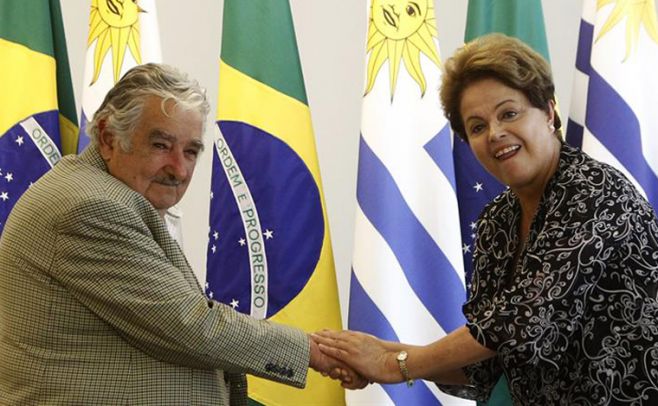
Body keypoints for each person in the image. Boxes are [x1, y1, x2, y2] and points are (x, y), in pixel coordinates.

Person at [315, 34, 658, 405]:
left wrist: (395, 363)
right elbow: (486, 360)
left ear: (548, 111)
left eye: (509, 113)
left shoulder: (595, 191)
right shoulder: (498, 221)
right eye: (477, 127)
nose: (495, 133)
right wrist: (379, 353)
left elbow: (523, 318)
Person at [0, 63, 362, 404]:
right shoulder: (91, 207)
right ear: (109, 138)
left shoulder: (105, 192)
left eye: (191, 152)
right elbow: (188, 323)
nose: (179, 169)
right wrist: (316, 352)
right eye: (161, 145)